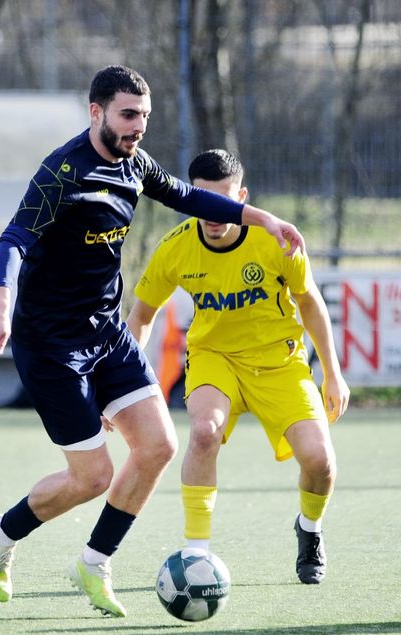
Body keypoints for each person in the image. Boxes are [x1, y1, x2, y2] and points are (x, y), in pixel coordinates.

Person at [0, 65, 305, 617]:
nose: (138, 127)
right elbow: (14, 238)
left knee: (158, 447)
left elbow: (188, 197)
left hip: (107, 331)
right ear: (96, 112)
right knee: (93, 477)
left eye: (145, 117)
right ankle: (2, 534)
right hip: (52, 345)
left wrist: (260, 218)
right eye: (128, 115)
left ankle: (94, 561)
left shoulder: (135, 163)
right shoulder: (62, 171)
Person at [125, 149, 349, 584]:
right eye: (203, 200)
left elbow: (310, 303)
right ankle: (196, 554)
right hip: (215, 359)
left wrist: (333, 374)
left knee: (320, 462)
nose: (213, 213)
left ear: (241, 198)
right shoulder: (174, 248)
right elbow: (141, 317)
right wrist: (124, 384)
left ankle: (309, 529)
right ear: (189, 198)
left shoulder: (275, 239)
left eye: (223, 201)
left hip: (279, 363)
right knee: (204, 433)